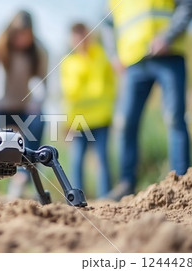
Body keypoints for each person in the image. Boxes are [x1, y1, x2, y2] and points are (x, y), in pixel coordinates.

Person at [103, 0, 192, 200]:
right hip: (133, 62)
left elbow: (191, 4)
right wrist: (114, 54)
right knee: (125, 123)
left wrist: (168, 35)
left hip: (169, 54)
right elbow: (106, 23)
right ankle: (126, 183)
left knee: (174, 118)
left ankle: (181, 180)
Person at [0, 10, 48, 200]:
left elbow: (44, 83)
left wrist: (37, 102)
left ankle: (24, 179)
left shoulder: (40, 51)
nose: (21, 38)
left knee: (38, 122)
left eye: (25, 34)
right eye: (17, 33)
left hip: (26, 108)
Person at [60, 23, 116, 198]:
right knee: (76, 162)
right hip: (78, 121)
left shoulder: (101, 56)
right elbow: (69, 94)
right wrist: (67, 122)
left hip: (101, 117)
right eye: (76, 37)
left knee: (103, 161)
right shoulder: (68, 63)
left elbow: (110, 85)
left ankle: (106, 199)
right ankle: (76, 199)